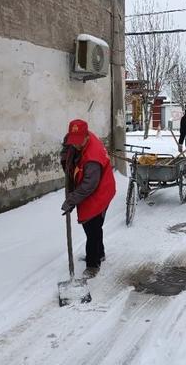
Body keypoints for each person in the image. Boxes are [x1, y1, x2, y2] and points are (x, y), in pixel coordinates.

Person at [60, 119, 116, 278]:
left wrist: (71, 200)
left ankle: (93, 264)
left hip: (100, 191)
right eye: (73, 141)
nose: (76, 145)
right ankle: (100, 253)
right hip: (92, 189)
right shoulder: (81, 138)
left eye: (78, 142)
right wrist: (66, 149)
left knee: (92, 227)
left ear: (86, 136)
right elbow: (69, 148)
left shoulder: (92, 158)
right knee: (95, 227)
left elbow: (88, 186)